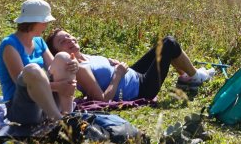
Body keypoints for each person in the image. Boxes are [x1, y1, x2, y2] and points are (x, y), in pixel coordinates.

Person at [45, 29, 215, 102]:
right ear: (57, 53)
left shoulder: (86, 57)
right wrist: (117, 74)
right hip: (141, 89)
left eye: (69, 36)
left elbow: (105, 72)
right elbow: (101, 100)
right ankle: (196, 77)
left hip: (132, 73)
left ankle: (186, 78)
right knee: (169, 44)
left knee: (164, 43)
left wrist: (113, 64)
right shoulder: (80, 69)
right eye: (62, 41)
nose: (69, 40)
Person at [0, 0, 78, 124]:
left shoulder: (39, 41)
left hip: (46, 103)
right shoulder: (9, 45)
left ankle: (68, 116)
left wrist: (73, 65)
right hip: (22, 108)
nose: (46, 25)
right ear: (34, 22)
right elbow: (22, 84)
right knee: (32, 69)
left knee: (63, 58)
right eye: (45, 22)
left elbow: (55, 69)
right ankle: (59, 122)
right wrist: (60, 87)